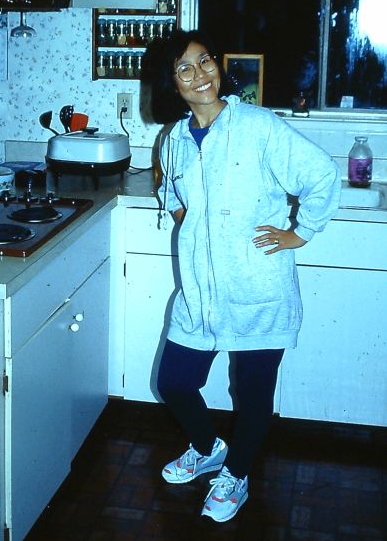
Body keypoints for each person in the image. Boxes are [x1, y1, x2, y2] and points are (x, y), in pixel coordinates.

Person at [141, 29, 341, 524]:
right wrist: (192, 222)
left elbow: (321, 174)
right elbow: (170, 193)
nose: (200, 74)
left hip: (257, 286)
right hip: (200, 291)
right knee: (174, 382)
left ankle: (237, 473)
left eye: (205, 60)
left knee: (252, 393)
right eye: (184, 68)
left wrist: (301, 232)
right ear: (171, 85)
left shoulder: (258, 126)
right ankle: (208, 447)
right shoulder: (173, 141)